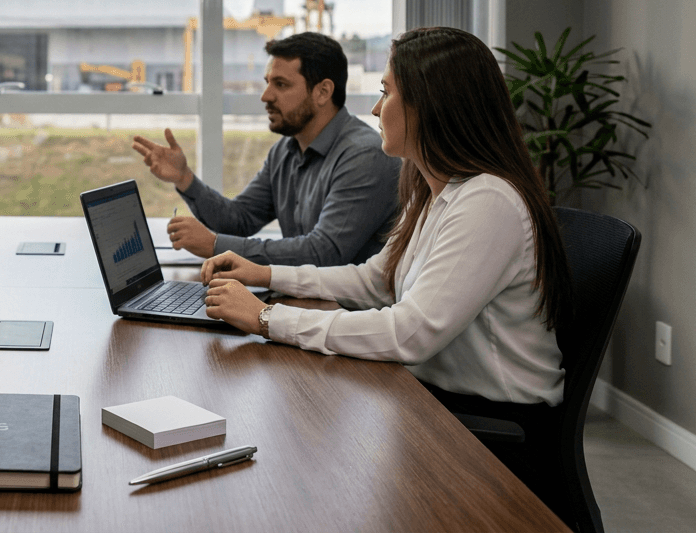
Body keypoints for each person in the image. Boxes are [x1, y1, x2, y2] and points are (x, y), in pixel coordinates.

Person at [201, 26, 571, 509]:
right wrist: (265, 275)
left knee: (306, 450)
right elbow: (377, 278)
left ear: (431, 104)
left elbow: (409, 334)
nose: (376, 109)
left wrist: (268, 319)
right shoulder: (438, 190)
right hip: (436, 399)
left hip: (495, 431)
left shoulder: (488, 202)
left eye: (386, 92)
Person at [132, 32, 400, 265]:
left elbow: (323, 254)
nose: (266, 96)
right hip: (306, 303)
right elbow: (239, 220)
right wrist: (184, 178)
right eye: (268, 82)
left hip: (348, 315)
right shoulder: (285, 150)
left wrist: (215, 245)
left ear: (323, 92)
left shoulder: (365, 155)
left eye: (281, 85)